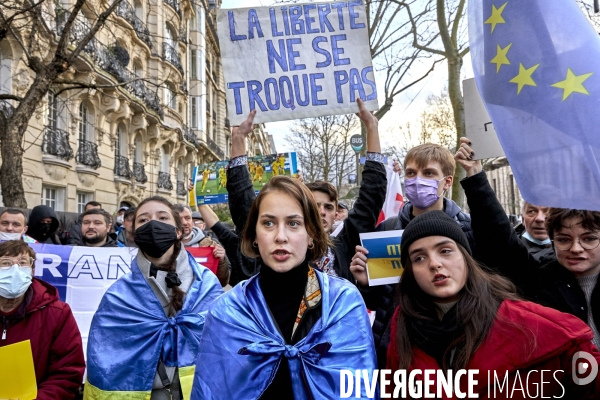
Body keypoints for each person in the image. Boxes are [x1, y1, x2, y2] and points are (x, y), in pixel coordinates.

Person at [191, 176, 377, 399]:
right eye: (268, 223)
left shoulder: (343, 302)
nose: (280, 236)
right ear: (254, 236)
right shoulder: (227, 310)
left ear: (312, 235)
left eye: (293, 223)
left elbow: (360, 388)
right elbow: (212, 390)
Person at [386, 211, 600, 397]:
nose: (434, 263)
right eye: (419, 258)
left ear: (466, 258)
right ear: (410, 272)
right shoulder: (403, 327)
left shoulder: (541, 327)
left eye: (445, 250)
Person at [456, 137, 600, 350]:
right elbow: (500, 243)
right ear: (552, 241)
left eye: (589, 239)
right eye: (564, 240)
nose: (576, 248)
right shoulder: (542, 280)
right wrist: (476, 176)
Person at [226, 98, 386, 282]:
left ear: (336, 213)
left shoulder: (345, 245)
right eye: (315, 206)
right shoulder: (278, 247)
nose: (321, 212)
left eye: (328, 207)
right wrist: (238, 140)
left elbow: (371, 196)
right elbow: (244, 207)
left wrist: (372, 128)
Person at [85, 196, 223, 399]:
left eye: (162, 217)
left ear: (178, 231)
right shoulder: (118, 296)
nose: (153, 224)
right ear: (135, 233)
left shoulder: (206, 283)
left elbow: (223, 345)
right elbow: (105, 361)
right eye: (143, 220)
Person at [350, 142, 474, 368]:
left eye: (428, 173)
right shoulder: (387, 230)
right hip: (398, 350)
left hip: (458, 347)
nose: (417, 180)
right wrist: (365, 284)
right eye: (411, 173)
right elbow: (379, 302)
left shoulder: (467, 229)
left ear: (447, 182)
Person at [0, 240, 85, 398]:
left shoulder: (58, 314)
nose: (15, 270)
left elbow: (67, 374)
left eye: (23, 263)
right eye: (5, 263)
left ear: (32, 271)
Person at [175, 204, 230, 286]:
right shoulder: (165, 246)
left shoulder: (210, 245)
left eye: (188, 218)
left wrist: (222, 261)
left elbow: (223, 282)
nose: (184, 222)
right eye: (179, 219)